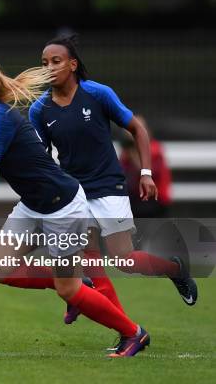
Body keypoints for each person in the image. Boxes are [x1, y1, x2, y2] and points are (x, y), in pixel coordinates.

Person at [0, 57, 150, 357]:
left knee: (66, 290)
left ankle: (134, 334)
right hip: (34, 206)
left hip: (63, 208)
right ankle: (77, 280)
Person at [29, 33, 197, 325]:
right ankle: (126, 329)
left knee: (125, 260)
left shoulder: (97, 94)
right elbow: (40, 157)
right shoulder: (39, 110)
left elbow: (138, 130)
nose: (49, 67)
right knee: (90, 261)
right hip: (74, 194)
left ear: (72, 64)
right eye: (44, 63)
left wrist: (146, 173)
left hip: (108, 188)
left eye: (56, 61)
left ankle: (175, 269)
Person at [119, 115, 172, 218]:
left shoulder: (155, 149)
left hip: (154, 201)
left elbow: (153, 174)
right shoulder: (126, 153)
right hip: (134, 201)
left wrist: (134, 153)